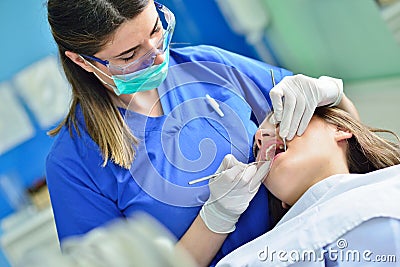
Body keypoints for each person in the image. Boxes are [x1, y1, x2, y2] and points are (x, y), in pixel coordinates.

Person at [45, 0, 358, 265]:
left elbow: (349, 139)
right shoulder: (75, 162)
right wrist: (214, 220)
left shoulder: (208, 65)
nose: (158, 56)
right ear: (81, 61)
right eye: (129, 55)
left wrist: (332, 93)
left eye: (156, 29)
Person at [215, 107, 400, 266]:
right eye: (257, 150)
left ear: (341, 129)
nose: (260, 137)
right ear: (283, 202)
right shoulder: (241, 261)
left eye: (281, 121)